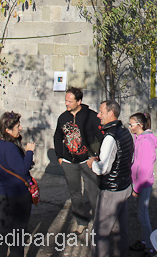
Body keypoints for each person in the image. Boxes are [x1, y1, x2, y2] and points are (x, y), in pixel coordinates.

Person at [87, 100, 134, 257]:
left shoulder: (110, 137)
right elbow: (127, 157)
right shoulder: (125, 131)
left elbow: (103, 169)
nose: (98, 115)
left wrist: (93, 164)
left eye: (101, 112)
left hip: (112, 190)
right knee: (120, 229)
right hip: (124, 186)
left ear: (111, 113)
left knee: (100, 233)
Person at [0, 111, 36, 257]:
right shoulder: (10, 148)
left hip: (0, 192)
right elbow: (22, 168)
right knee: (17, 233)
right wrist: (29, 152)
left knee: (3, 227)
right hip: (17, 195)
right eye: (18, 126)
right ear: (8, 130)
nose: (20, 128)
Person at [53, 87, 103, 228]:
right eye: (66, 101)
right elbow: (57, 137)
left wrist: (96, 156)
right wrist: (60, 157)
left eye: (70, 101)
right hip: (69, 162)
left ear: (79, 101)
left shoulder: (91, 116)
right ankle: (81, 221)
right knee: (75, 194)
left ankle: (99, 222)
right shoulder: (63, 118)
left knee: (93, 193)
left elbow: (101, 137)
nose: (66, 104)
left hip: (88, 161)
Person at [128, 113, 157, 256]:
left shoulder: (145, 142)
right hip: (140, 183)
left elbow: (145, 169)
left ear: (140, 125)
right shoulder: (140, 138)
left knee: (143, 217)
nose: (130, 127)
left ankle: (150, 247)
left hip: (143, 185)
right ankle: (146, 240)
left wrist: (137, 188)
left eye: (131, 124)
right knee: (141, 215)